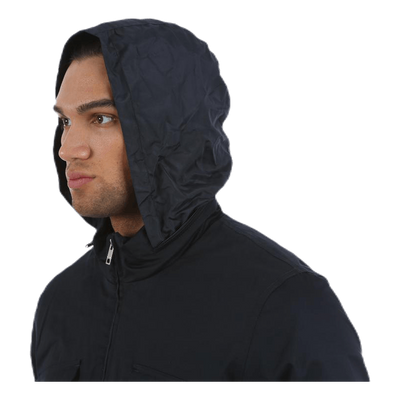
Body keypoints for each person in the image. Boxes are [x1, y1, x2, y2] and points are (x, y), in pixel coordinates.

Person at [30, 17, 371, 384]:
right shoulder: (61, 302)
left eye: (101, 118)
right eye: (65, 121)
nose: (68, 149)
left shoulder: (284, 302)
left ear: (169, 130)